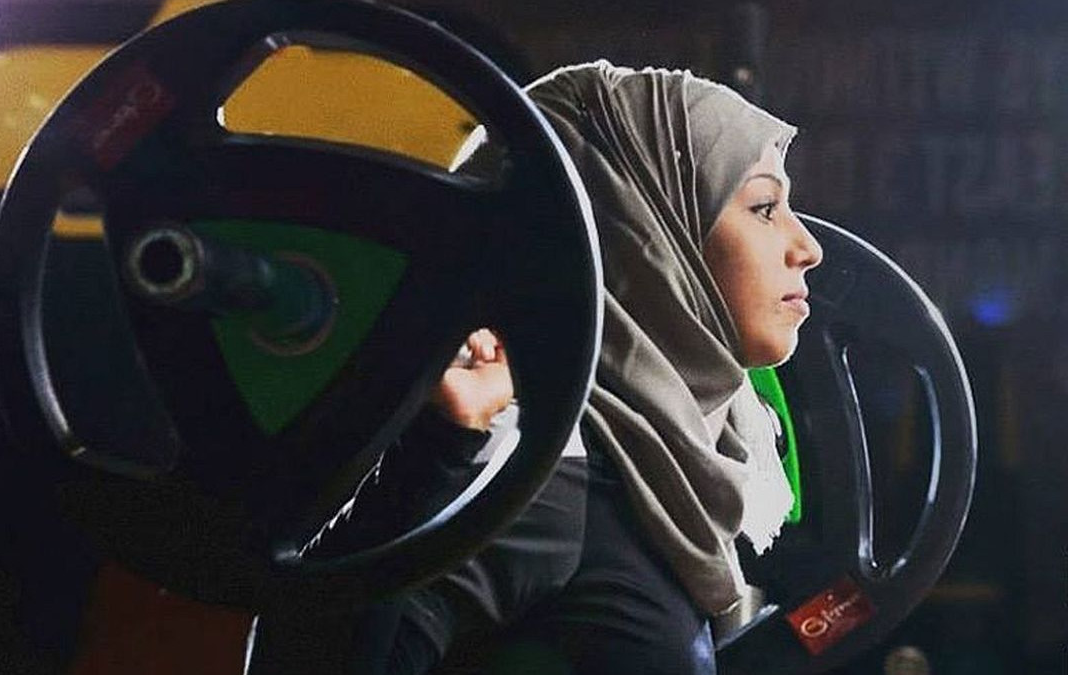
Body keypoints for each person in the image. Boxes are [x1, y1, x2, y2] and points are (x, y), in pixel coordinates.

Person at [251, 60, 823, 675]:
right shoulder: (538, 475)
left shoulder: (669, 465)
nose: (808, 248)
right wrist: (442, 452)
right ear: (641, 232)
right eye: (764, 207)